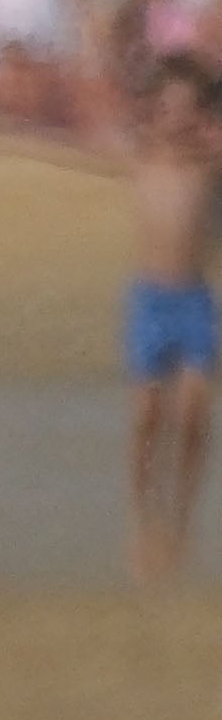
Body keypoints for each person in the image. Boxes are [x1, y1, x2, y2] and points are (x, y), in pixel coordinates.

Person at [128, 57, 216, 588]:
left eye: (186, 108)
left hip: (196, 302)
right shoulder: (140, 158)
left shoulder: (209, 163)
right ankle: (142, 521)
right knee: (146, 415)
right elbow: (72, 148)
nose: (175, 118)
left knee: (193, 414)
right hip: (148, 302)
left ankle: (181, 522)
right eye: (165, 107)